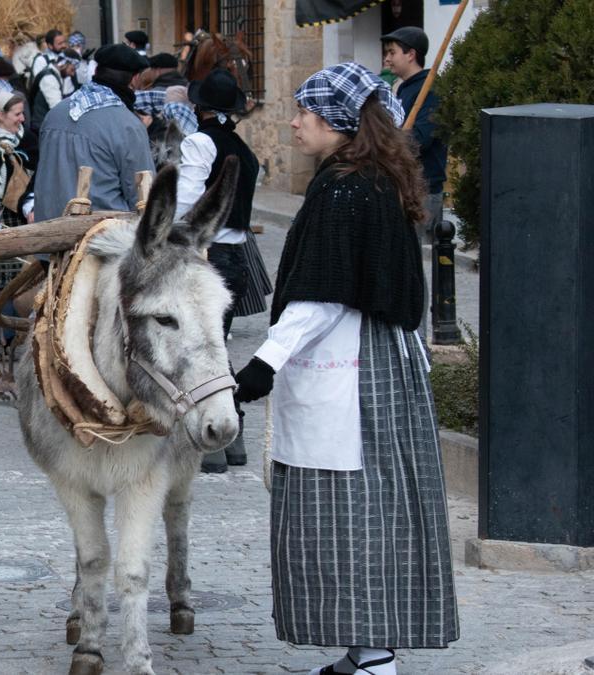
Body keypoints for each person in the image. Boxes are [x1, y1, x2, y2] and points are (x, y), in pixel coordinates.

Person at [234, 62, 458, 675]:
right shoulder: (367, 178)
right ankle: (365, 651)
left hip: (354, 370)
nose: (294, 121)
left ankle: (375, 656)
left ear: (338, 122)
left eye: (305, 112)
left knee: (353, 511)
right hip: (377, 362)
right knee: (370, 508)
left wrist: (260, 365)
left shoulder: (346, 187)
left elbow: (321, 295)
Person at [175, 69, 268, 473]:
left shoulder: (200, 142)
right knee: (215, 346)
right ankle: (230, 443)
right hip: (237, 256)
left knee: (200, 348)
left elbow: (186, 198)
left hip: (205, 254)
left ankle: (216, 439)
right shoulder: (242, 150)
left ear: (201, 108)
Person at [33, 44, 154, 221]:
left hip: (47, 232)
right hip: (103, 239)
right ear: (134, 80)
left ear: (96, 71)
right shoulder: (128, 125)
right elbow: (142, 196)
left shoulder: (55, 113)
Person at [382, 26, 447, 336]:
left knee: (412, 264)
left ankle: (417, 338)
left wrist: (394, 142)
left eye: (393, 52)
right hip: (404, 184)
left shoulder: (429, 90)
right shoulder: (403, 89)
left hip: (423, 188)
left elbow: (421, 139)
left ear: (411, 54)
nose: (387, 58)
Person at [0, 91, 36, 227]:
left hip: (25, 211)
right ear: (1, 115)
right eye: (17, 114)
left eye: (22, 113)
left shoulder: (28, 138)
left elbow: (40, 174)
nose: (23, 119)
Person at [29, 48, 80, 133]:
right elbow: (57, 108)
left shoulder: (56, 74)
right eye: (72, 69)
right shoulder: (49, 78)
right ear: (64, 64)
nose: (73, 74)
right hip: (42, 127)